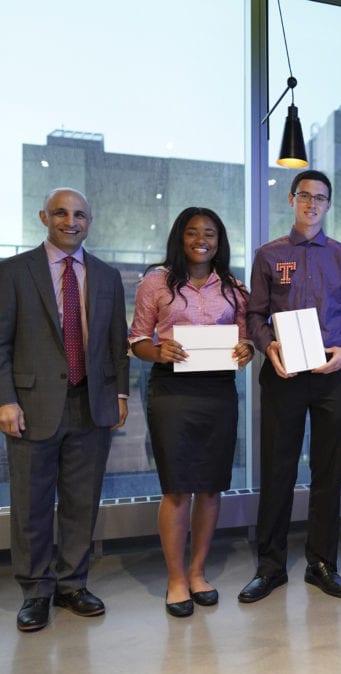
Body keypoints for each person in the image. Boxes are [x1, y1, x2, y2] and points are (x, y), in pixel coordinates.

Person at [0, 188, 129, 632]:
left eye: (80, 214)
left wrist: (120, 393)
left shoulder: (106, 275)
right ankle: (35, 591)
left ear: (90, 220)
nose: (71, 221)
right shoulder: (12, 272)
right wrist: (4, 399)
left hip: (91, 405)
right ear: (44, 216)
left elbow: (116, 344)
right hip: (30, 406)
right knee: (31, 503)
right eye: (62, 213)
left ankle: (71, 584)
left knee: (81, 502)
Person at [238, 170, 341, 603]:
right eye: (305, 196)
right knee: (277, 472)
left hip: (334, 377)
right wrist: (266, 347)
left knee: (328, 474)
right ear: (292, 200)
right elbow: (255, 315)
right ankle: (270, 567)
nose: (312, 204)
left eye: (321, 198)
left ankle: (322, 564)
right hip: (285, 375)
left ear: (329, 205)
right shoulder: (268, 255)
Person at [128, 207, 253, 617]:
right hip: (172, 391)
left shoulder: (234, 288)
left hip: (218, 391)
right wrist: (157, 350)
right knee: (177, 486)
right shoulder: (155, 282)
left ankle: (198, 572)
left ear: (220, 240)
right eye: (194, 232)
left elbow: (246, 340)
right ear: (180, 237)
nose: (203, 239)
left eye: (211, 233)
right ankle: (176, 578)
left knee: (212, 485)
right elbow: (137, 341)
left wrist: (246, 350)